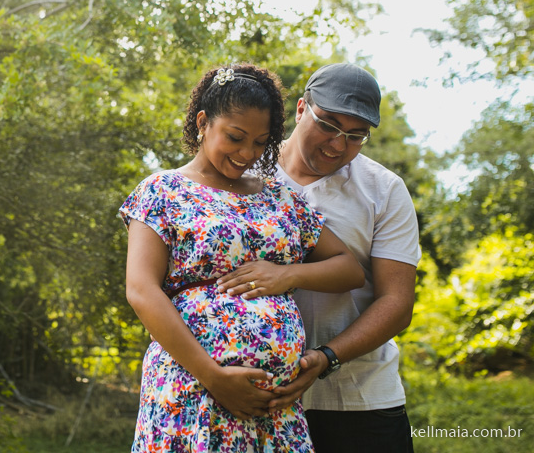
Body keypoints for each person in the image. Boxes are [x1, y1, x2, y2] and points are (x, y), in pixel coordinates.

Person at [120, 63, 365, 452]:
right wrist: (213, 376)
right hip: (191, 392)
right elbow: (141, 291)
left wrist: (288, 275)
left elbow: (349, 270)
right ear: (203, 122)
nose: (247, 153)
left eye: (260, 142)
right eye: (235, 137)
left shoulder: (279, 197)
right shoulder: (162, 191)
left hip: (274, 408)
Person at [268, 63, 421, 453]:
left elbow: (397, 302)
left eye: (356, 136)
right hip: (258, 395)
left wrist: (327, 358)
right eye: (329, 124)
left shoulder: (383, 190)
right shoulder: (246, 172)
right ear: (301, 109)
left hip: (360, 400)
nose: (338, 145)